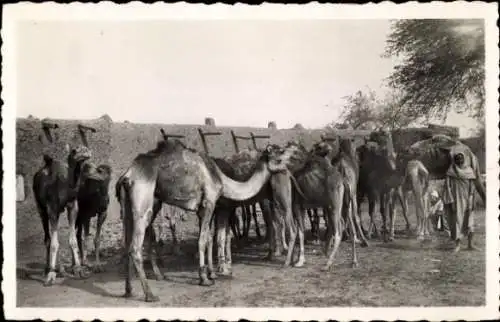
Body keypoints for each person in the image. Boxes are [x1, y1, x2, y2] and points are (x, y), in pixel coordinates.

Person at [441, 143, 483, 252]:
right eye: (457, 159)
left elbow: (472, 187)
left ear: (464, 159)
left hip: (468, 199)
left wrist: (471, 199)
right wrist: (451, 201)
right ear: (455, 160)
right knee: (457, 222)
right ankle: (457, 245)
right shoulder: (451, 172)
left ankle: (470, 244)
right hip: (457, 200)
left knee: (470, 221)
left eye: (461, 159)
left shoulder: (469, 171)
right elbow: (448, 187)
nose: (459, 161)